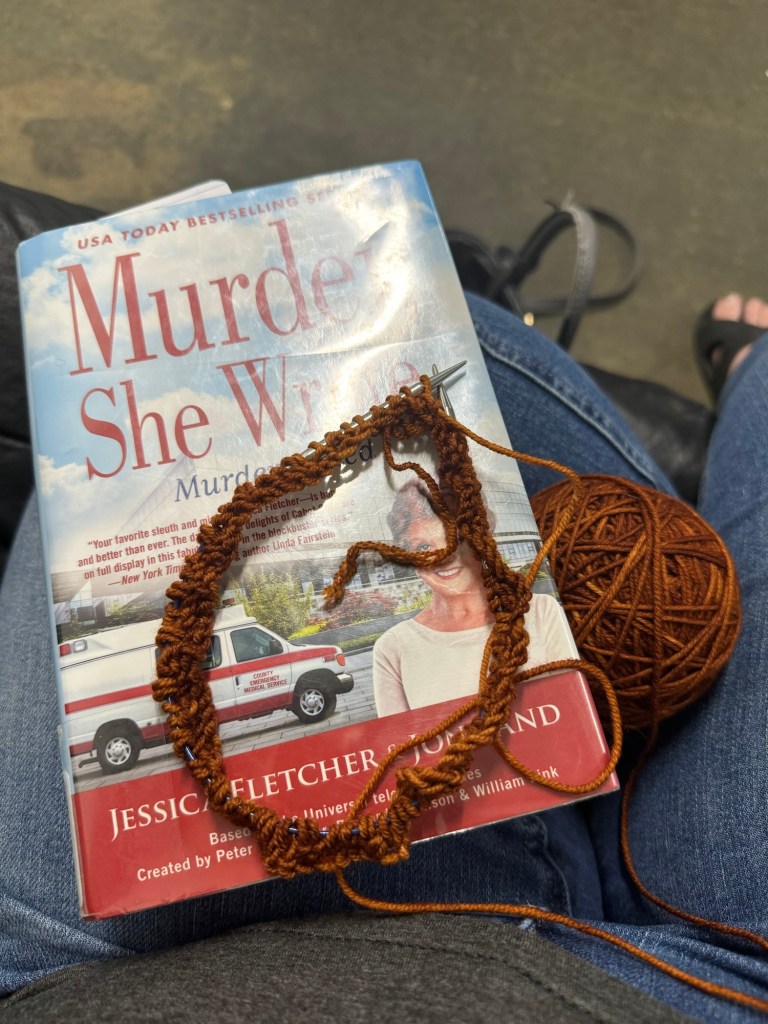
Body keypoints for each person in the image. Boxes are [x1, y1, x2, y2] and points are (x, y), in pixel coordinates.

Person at [2, 286, 768, 1022]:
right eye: (422, 548)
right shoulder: (402, 642)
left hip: (64, 974)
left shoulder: (524, 609)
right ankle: (754, 368)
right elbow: (408, 766)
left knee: (304, 332)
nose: (439, 559)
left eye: (448, 542)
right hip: (680, 983)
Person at [373, 480, 575, 716]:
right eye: (424, 547)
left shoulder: (540, 611)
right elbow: (398, 737)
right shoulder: (392, 648)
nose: (444, 557)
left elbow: (575, 711)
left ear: (481, 541)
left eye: (457, 539)